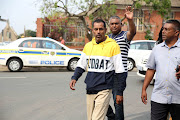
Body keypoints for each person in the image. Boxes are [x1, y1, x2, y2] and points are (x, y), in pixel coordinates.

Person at [69, 19, 125, 120]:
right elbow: (81, 65)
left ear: (105, 30)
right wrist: (74, 78)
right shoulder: (88, 46)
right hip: (90, 88)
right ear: (92, 30)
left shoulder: (113, 46)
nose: (98, 32)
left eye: (101, 29)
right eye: (96, 29)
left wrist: (120, 92)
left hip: (104, 89)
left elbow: (120, 71)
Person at [141, 19, 180, 120]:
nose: (163, 31)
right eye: (163, 29)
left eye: (167, 29)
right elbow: (151, 69)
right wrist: (144, 88)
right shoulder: (157, 49)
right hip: (159, 97)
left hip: (178, 98)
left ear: (176, 32)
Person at [107, 6, 136, 120]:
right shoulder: (107, 38)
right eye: (112, 24)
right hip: (106, 73)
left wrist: (130, 20)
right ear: (109, 26)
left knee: (117, 102)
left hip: (119, 75)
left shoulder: (124, 36)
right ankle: (111, 116)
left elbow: (132, 32)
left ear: (121, 25)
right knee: (97, 98)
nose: (114, 25)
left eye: (117, 23)